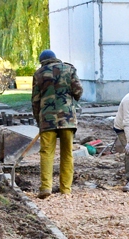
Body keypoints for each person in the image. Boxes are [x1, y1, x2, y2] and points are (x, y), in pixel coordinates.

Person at [31, 49, 83, 198]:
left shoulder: (39, 74)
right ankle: (65, 189)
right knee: (67, 154)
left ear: (42, 61)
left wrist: (39, 120)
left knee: (46, 153)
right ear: (55, 58)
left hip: (47, 120)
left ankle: (45, 188)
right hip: (67, 119)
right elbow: (78, 91)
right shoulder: (69, 69)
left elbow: (35, 100)